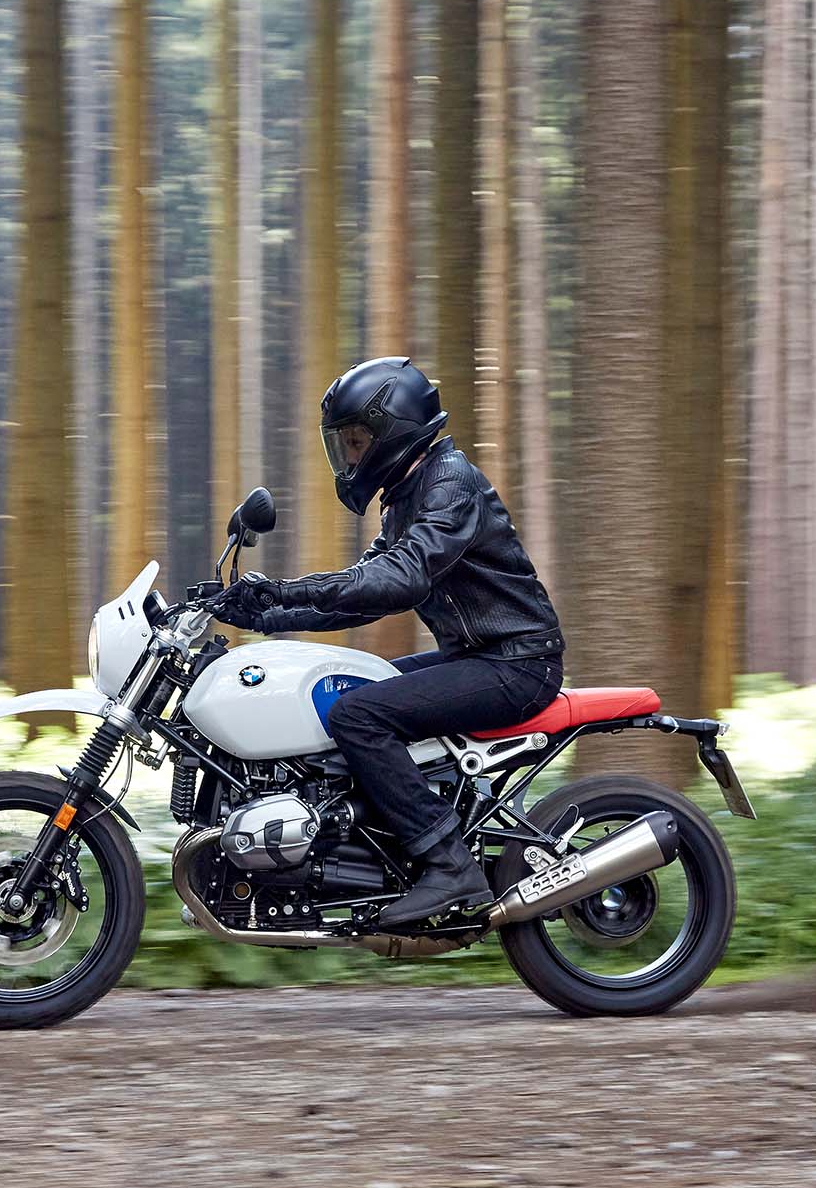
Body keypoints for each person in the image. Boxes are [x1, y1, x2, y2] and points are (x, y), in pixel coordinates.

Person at [206, 357, 565, 929]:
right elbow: (364, 595)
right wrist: (266, 614)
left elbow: (401, 577)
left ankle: (449, 864)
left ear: (391, 430)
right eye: (343, 445)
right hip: (478, 657)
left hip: (517, 665)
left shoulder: (450, 483)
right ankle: (388, 846)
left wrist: (285, 589)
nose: (348, 458)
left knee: (359, 715)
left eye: (355, 442)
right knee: (361, 687)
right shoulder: (409, 494)